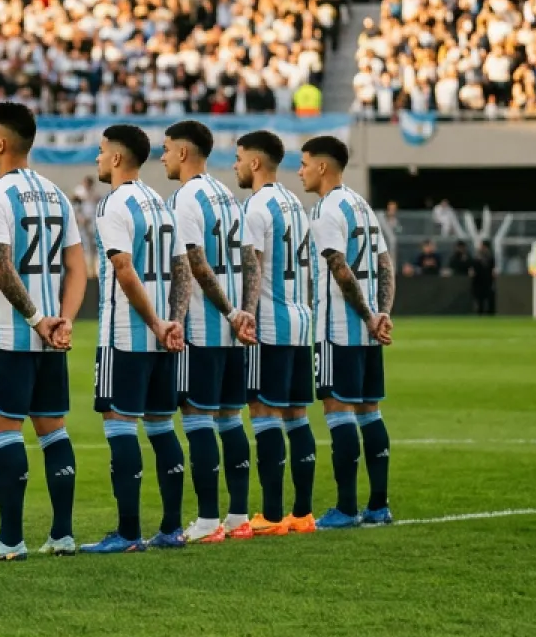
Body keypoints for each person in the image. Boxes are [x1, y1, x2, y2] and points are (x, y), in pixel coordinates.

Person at [0, 102, 87, 562]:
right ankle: (63, 534)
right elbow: (78, 267)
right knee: (54, 433)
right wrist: (64, 318)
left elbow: (1, 266)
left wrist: (36, 319)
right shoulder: (57, 194)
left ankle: (10, 540)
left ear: (3, 142)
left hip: (11, 336)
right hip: (52, 337)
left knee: (6, 433)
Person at [86, 124, 185, 554]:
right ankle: (171, 528)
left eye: (102, 151)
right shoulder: (161, 205)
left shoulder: (115, 204)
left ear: (118, 158)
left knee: (119, 425)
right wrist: (172, 321)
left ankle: (127, 534)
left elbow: (123, 270)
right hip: (161, 337)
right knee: (163, 427)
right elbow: (182, 269)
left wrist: (156, 323)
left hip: (126, 334)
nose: (97, 158)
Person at [161, 119, 256, 546]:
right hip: (233, 330)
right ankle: (238, 516)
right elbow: (251, 261)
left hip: (204, 326)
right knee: (232, 420)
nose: (161, 157)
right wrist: (244, 312)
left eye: (165, 149)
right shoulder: (228, 196)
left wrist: (227, 312)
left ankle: (205, 520)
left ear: (184, 152)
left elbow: (194, 265)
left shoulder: (185, 199)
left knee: (198, 420)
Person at [299, 135, 395, 528]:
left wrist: (370, 316)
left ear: (323, 166)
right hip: (368, 331)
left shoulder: (326, 210)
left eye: (305, 163)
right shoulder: (361, 205)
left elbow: (340, 270)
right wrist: (382, 313)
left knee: (338, 412)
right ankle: (378, 506)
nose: (301, 171)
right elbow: (385, 264)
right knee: (370, 412)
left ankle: (346, 508)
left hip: (339, 329)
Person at [234, 129, 317, 537]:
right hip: (301, 321)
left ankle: (269, 515)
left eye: (238, 158)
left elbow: (255, 265)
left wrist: (246, 314)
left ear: (254, 162)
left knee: (263, 415)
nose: (234, 166)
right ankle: (302, 514)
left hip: (271, 322)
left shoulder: (256, 206)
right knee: (297, 417)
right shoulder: (296, 204)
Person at [469, 242, 498, 314]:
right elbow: (473, 270)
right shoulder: (476, 259)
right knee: (480, 301)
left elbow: (493, 270)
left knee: (490, 299)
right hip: (478, 282)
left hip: (488, 282)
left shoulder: (491, 259)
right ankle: (480, 313)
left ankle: (490, 314)